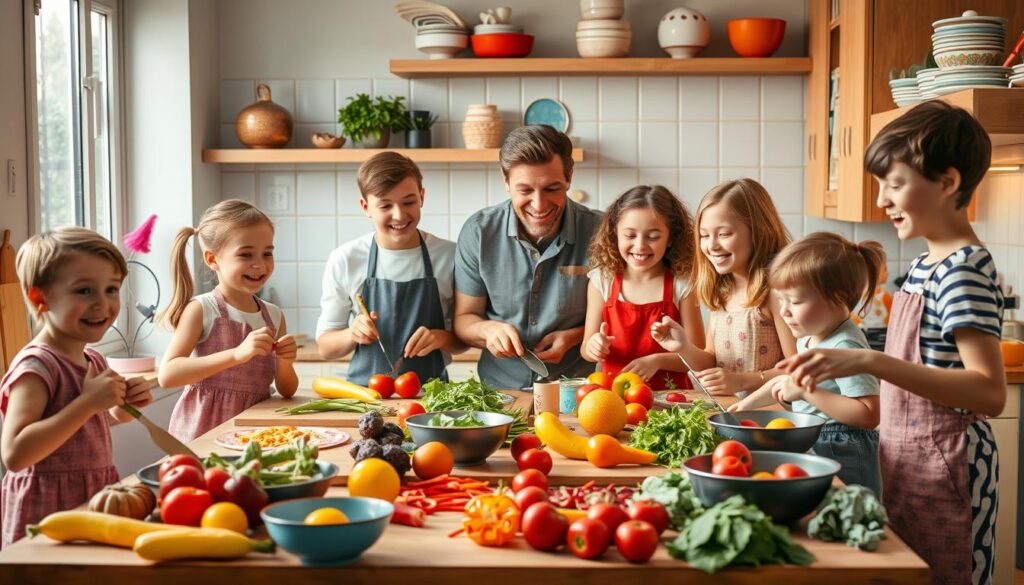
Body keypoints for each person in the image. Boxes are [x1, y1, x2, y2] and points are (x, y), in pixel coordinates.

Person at [779, 100, 1005, 585]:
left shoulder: (963, 270)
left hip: (949, 461)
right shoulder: (926, 265)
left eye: (895, 184)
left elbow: (990, 392)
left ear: (946, 183)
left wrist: (869, 360)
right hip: (906, 456)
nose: (881, 198)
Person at [0, 227, 152, 547]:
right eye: (85, 291)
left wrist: (122, 408)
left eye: (112, 289)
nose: (103, 303)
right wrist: (87, 403)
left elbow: (90, 422)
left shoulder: (92, 358)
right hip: (45, 507)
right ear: (40, 299)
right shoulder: (36, 366)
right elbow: (14, 454)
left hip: (96, 493)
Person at [730, 232, 884, 495]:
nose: (785, 311)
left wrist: (806, 393)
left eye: (796, 301)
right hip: (818, 441)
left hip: (845, 449)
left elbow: (868, 414)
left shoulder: (844, 345)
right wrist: (743, 409)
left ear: (837, 298)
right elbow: (787, 382)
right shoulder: (811, 337)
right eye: (781, 301)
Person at [454, 125, 602, 389]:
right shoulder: (479, 232)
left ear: (569, 176)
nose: (539, 205)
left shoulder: (600, 232)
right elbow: (464, 319)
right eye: (525, 191)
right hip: (499, 393)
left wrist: (577, 336)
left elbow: (624, 316)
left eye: (551, 188)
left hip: (580, 393)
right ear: (505, 180)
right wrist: (488, 330)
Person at [316, 152, 463, 384]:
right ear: (366, 206)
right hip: (367, 399)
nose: (399, 215)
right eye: (385, 205)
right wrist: (351, 334)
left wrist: (440, 338)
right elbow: (325, 347)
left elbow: (464, 340)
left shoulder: (451, 256)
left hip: (433, 401)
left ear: (422, 197)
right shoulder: (345, 259)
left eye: (409, 202)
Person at [158, 199, 297, 442]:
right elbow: (168, 374)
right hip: (203, 433)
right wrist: (235, 354)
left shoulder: (274, 315)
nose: (260, 264)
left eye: (267, 253)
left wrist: (285, 362)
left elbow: (286, 390)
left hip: (254, 434)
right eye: (245, 254)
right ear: (212, 259)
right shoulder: (202, 309)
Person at [651, 178, 797, 396]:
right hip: (731, 414)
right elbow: (712, 361)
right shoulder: (722, 291)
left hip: (770, 418)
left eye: (724, 234)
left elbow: (798, 371)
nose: (712, 245)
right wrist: (684, 347)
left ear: (758, 231)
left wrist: (741, 381)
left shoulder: (775, 291)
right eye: (704, 235)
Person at [581, 185, 704, 389]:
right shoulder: (602, 280)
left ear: (671, 237)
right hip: (614, 401)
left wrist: (657, 360)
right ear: (615, 233)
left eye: (653, 237)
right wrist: (594, 347)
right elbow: (586, 348)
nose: (640, 246)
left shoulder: (682, 283)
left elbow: (697, 356)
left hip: (672, 401)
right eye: (630, 235)